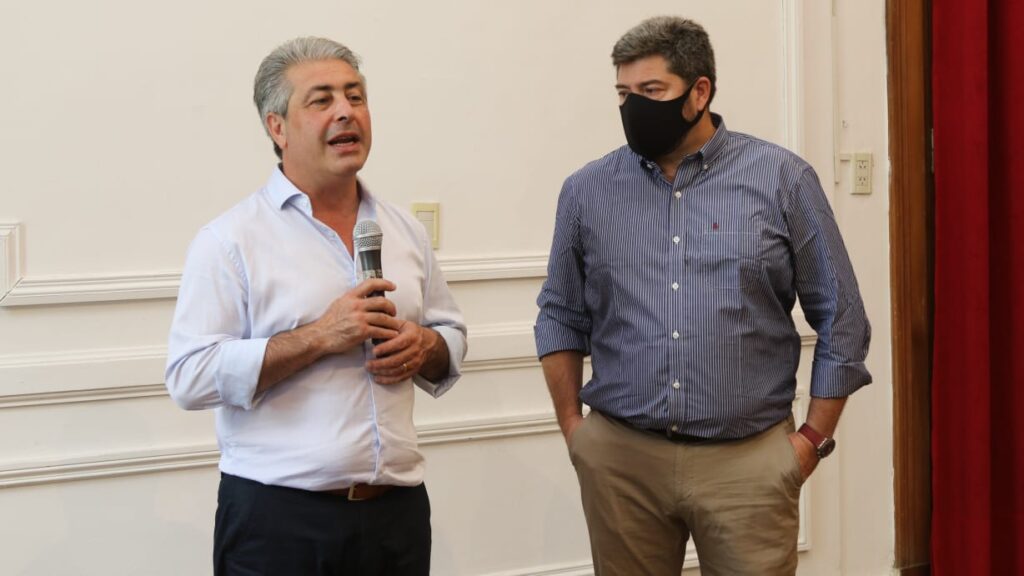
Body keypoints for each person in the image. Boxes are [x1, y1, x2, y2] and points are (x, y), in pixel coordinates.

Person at [534, 16, 871, 576]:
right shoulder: (587, 191)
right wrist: (575, 431)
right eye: (623, 94)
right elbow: (560, 315)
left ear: (700, 92)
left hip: (748, 464)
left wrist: (811, 439)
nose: (633, 108)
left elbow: (843, 316)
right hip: (622, 462)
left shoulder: (782, 180)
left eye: (651, 91)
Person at [165, 37, 466, 576]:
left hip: (396, 515)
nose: (346, 111)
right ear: (277, 127)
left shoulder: (404, 230)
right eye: (322, 100)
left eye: (355, 96)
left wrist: (427, 346)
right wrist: (320, 336)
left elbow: (451, 334)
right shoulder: (230, 240)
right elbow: (189, 376)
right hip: (278, 523)